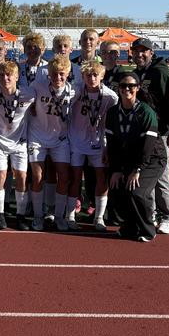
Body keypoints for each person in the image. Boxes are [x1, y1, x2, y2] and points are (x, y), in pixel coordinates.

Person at [105, 72, 167, 242]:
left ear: (138, 88)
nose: (127, 89)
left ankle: (148, 229)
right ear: (118, 88)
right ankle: (130, 227)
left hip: (152, 158)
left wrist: (137, 169)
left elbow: (148, 146)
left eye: (131, 86)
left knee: (137, 192)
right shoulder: (113, 113)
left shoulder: (145, 112)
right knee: (116, 188)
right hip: (129, 157)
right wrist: (116, 170)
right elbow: (112, 144)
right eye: (123, 85)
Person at [131, 37, 169, 235]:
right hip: (141, 133)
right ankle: (150, 213)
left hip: (160, 133)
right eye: (136, 51)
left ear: (151, 53)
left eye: (144, 51)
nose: (140, 54)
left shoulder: (161, 72)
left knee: (161, 177)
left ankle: (167, 216)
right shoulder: (136, 73)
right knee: (146, 176)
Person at [0, 60, 35, 230]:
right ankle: (0, 214)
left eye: (9, 75)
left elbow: (38, 107)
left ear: (17, 76)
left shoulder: (28, 93)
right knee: (0, 176)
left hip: (20, 142)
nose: (6, 78)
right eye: (2, 75)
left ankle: (20, 215)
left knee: (21, 177)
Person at [27, 55, 76, 231]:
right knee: (37, 177)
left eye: (62, 74)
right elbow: (24, 99)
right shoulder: (38, 86)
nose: (58, 77)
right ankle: (38, 216)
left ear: (68, 73)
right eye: (54, 73)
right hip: (37, 137)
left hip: (60, 139)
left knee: (63, 176)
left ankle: (60, 216)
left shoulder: (74, 90)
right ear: (49, 73)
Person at [68, 61, 118, 231]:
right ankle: (70, 216)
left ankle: (99, 217)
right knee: (75, 178)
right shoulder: (75, 91)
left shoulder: (110, 97)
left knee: (101, 178)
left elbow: (112, 122)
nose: (92, 78)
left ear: (102, 76)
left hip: (98, 141)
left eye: (95, 75)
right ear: (82, 76)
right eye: (88, 75)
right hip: (76, 140)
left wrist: (107, 145)